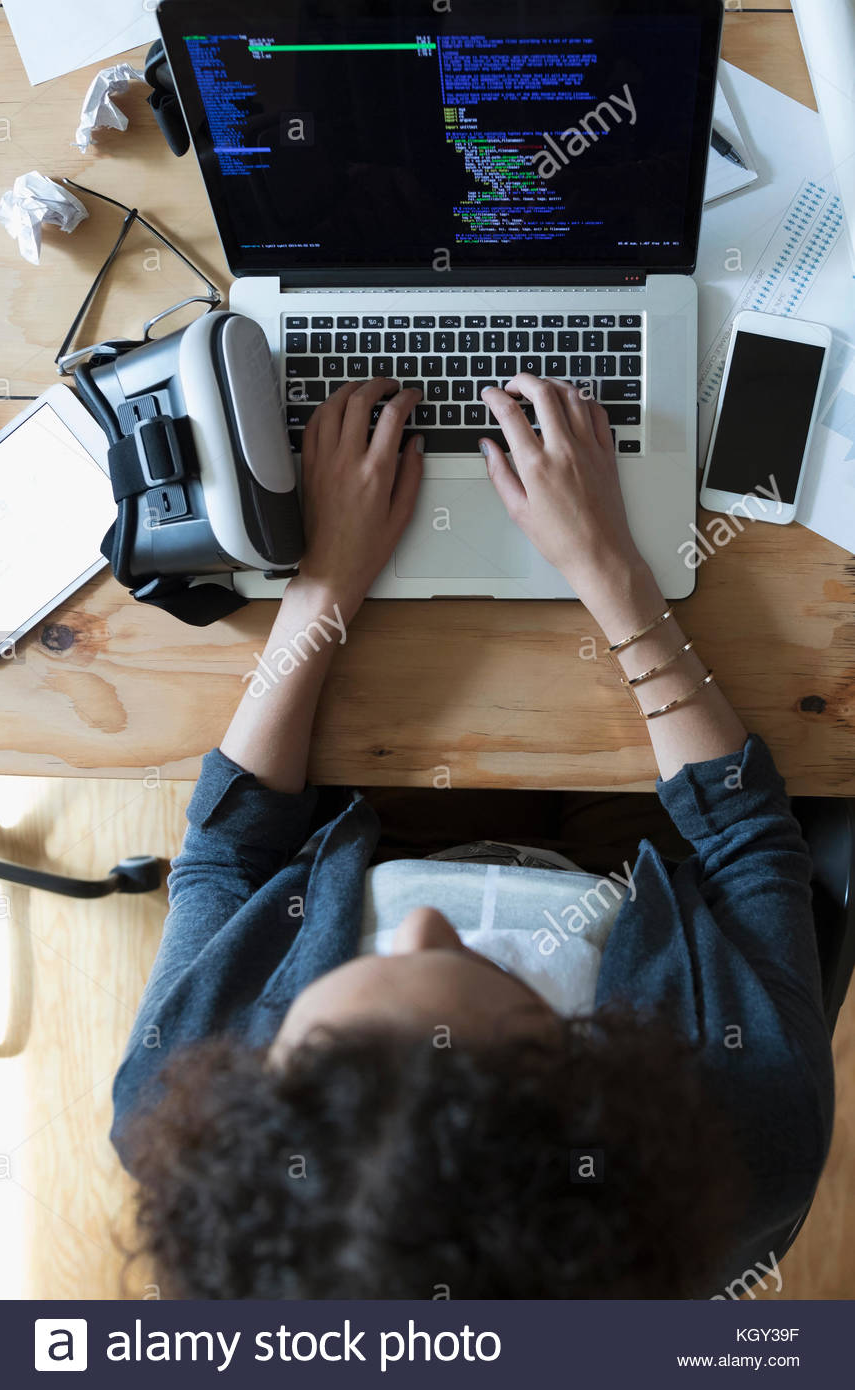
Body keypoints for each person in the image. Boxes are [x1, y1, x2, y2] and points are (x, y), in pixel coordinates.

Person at [111, 375, 834, 1300]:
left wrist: (324, 585)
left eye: (325, 1004)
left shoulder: (186, 1110)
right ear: (602, 1094)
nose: (419, 929)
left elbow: (232, 851)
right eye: (496, 978)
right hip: (649, 872)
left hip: (368, 835)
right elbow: (748, 841)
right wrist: (614, 575)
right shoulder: (751, 1135)